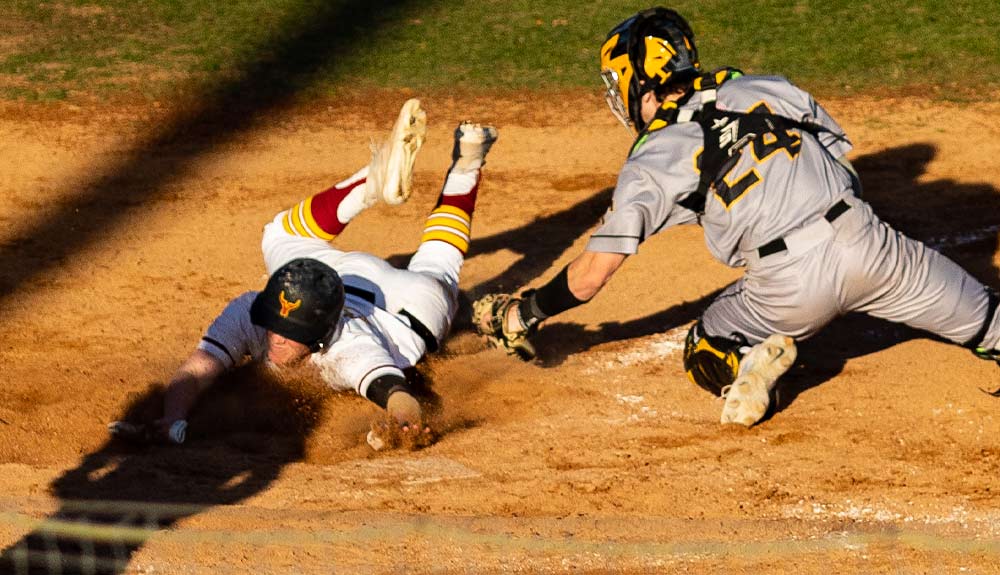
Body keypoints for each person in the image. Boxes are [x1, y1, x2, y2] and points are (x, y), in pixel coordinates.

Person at [474, 7, 1000, 427]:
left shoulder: (651, 160)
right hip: (876, 250)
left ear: (640, 84)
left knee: (706, 344)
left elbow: (592, 276)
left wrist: (526, 313)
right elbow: (841, 160)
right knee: (990, 324)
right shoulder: (762, 87)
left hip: (787, 292)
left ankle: (747, 369)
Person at [110, 99, 498, 449]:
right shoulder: (254, 310)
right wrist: (171, 415)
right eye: (273, 325)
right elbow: (198, 368)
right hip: (331, 278)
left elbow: (396, 393)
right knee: (280, 232)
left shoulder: (351, 350)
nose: (274, 338)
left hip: (406, 305)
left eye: (288, 334)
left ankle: (468, 161)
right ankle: (376, 177)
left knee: (436, 268)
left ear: (317, 338)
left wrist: (404, 423)